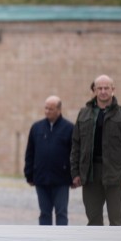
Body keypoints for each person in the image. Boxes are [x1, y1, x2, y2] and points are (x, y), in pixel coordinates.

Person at [70, 75, 121, 226]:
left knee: (116, 218)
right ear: (94, 90)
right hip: (90, 174)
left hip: (116, 175)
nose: (103, 91)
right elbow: (76, 145)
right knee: (93, 218)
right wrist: (75, 173)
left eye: (106, 88)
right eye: (99, 88)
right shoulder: (84, 113)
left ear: (113, 90)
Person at [24, 95, 74, 225]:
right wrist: (29, 174)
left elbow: (74, 154)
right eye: (46, 108)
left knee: (61, 212)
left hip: (61, 179)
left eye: (51, 109)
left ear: (59, 110)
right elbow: (30, 153)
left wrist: (74, 176)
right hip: (41, 178)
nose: (47, 111)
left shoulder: (69, 128)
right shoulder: (37, 128)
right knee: (44, 213)